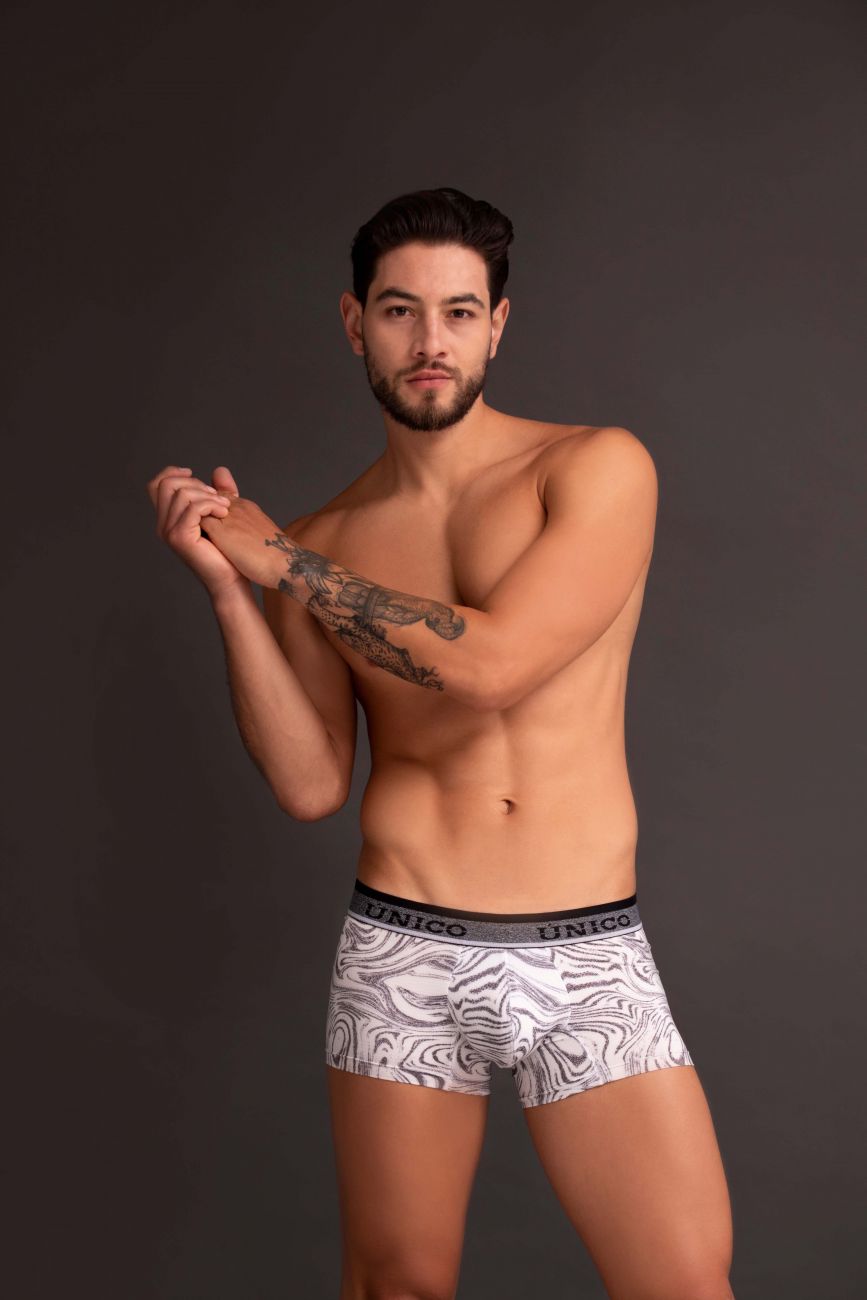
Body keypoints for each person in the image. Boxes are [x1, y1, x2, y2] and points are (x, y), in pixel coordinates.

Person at [147, 187, 735, 1300]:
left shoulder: (594, 467)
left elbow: (494, 665)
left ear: (497, 325)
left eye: (460, 312)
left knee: (681, 1285)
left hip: (584, 951)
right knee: (396, 1287)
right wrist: (232, 592)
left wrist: (287, 569)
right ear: (354, 322)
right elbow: (312, 783)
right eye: (400, 310)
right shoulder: (320, 537)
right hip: (404, 946)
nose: (431, 341)